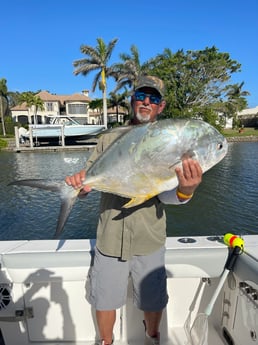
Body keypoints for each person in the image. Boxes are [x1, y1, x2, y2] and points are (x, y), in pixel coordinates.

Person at [65, 75, 203, 345]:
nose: (146, 102)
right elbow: (89, 181)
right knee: (105, 299)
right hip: (110, 236)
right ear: (132, 100)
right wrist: (80, 185)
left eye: (153, 99)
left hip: (148, 238)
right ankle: (106, 342)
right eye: (141, 96)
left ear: (161, 107)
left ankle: (152, 337)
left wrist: (187, 190)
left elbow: (165, 193)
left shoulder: (170, 141)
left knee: (153, 300)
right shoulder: (108, 140)